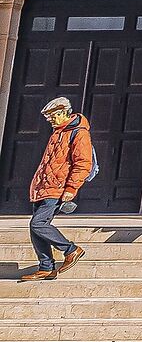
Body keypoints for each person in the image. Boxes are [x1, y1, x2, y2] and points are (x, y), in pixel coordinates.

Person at [20, 96, 93, 283]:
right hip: (43, 187)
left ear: (63, 112)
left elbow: (83, 163)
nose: (50, 120)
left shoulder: (78, 133)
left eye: (52, 116)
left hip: (58, 188)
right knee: (35, 227)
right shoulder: (58, 132)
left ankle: (71, 249)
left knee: (38, 224)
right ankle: (46, 268)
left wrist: (71, 188)